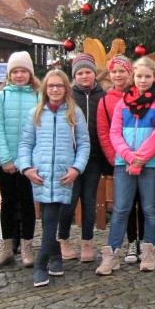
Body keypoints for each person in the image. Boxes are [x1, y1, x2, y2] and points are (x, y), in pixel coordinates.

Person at [97, 56, 155, 275]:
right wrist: (129, 156)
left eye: (147, 76)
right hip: (125, 163)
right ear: (133, 77)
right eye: (139, 76)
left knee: (149, 209)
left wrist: (141, 158)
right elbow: (114, 132)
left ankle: (148, 251)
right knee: (121, 209)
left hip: (151, 164)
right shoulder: (123, 103)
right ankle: (111, 255)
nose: (143, 80)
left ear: (154, 77)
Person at [17, 70, 90, 287]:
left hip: (63, 174)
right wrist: (26, 168)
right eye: (51, 86)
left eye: (59, 86)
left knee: (52, 216)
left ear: (66, 88)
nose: (55, 89)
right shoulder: (36, 113)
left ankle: (45, 261)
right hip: (41, 174)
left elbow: (83, 143)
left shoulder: (74, 113)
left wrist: (76, 168)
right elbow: (26, 144)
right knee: (49, 217)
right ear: (45, 89)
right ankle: (50, 260)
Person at [0, 51, 40, 270]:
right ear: (9, 74)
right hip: (6, 161)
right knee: (7, 203)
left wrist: (29, 161)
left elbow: (40, 129)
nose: (19, 75)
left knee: (27, 202)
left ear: (30, 73)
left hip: (29, 162)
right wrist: (5, 158)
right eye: (15, 71)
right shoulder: (1, 96)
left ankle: (27, 246)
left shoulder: (38, 96)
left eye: (23, 71)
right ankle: (7, 247)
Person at [57, 53, 107, 264]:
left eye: (88, 72)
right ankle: (63, 239)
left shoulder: (103, 96)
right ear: (74, 76)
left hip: (93, 158)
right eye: (80, 73)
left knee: (89, 201)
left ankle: (87, 242)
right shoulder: (67, 97)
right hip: (71, 158)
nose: (85, 76)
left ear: (94, 74)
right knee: (68, 201)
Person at [96, 55, 145, 264]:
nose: (118, 75)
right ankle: (132, 242)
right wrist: (114, 157)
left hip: (144, 158)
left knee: (144, 204)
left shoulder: (142, 94)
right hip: (121, 160)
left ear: (129, 72)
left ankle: (145, 243)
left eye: (122, 71)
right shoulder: (105, 100)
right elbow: (104, 132)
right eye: (114, 71)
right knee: (126, 204)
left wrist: (144, 156)